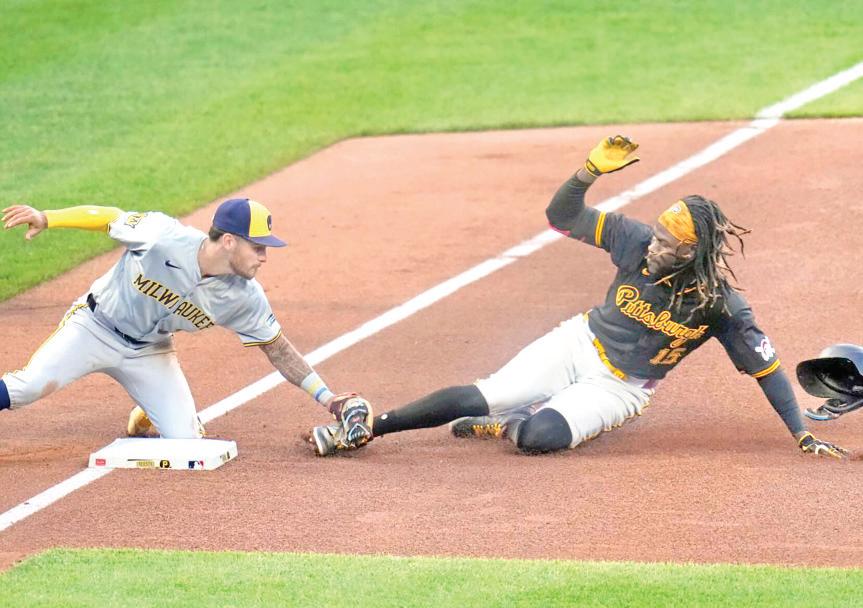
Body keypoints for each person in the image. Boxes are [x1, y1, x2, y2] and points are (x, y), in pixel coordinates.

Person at [309, 135, 846, 459]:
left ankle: (512, 423)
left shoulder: (721, 306)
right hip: (578, 343)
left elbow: (766, 370)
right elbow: (561, 217)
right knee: (489, 391)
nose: (653, 245)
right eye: (656, 235)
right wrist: (588, 173)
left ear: (690, 253)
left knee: (537, 438)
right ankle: (371, 428)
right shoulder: (634, 240)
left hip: (622, 387)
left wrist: (801, 434)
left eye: (666, 243)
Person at [1, 198, 371, 440]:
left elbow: (278, 349)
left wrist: (328, 399)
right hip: (94, 328)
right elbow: (110, 218)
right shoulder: (163, 236)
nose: (264, 256)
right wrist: (47, 218)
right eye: (258, 247)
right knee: (29, 386)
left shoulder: (244, 296)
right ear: (229, 241)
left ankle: (148, 411)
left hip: (149, 351)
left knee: (186, 442)